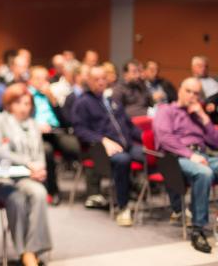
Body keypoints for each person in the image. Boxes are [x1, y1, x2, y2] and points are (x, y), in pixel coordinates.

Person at [0, 83, 52, 266]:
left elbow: (40, 156)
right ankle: (25, 254)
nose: (24, 108)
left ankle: (31, 250)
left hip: (26, 178)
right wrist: (27, 163)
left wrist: (40, 170)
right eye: (19, 103)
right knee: (17, 200)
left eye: (28, 104)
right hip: (0, 178)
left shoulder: (33, 125)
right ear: (9, 104)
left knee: (39, 193)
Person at [72, 66, 144, 226]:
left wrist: (145, 137)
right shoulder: (83, 103)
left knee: (155, 156)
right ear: (88, 81)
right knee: (123, 160)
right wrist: (102, 140)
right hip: (100, 150)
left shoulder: (112, 101)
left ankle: (176, 208)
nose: (101, 82)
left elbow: (129, 125)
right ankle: (122, 207)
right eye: (96, 79)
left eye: (103, 78)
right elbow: (79, 130)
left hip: (127, 145)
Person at [153, 78, 218, 253]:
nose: (192, 96)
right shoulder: (166, 110)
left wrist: (204, 117)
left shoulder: (197, 114)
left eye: (196, 93)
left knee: (205, 168)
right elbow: (165, 139)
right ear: (180, 90)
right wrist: (190, 155)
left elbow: (215, 143)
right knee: (204, 173)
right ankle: (198, 230)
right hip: (176, 158)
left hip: (202, 155)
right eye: (188, 91)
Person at [27, 66, 80, 204]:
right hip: (35, 135)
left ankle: (93, 190)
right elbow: (23, 119)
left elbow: (65, 121)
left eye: (44, 79)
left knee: (75, 147)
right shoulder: (27, 96)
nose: (41, 82)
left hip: (55, 131)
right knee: (47, 151)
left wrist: (53, 100)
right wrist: (36, 126)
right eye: (37, 78)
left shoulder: (51, 95)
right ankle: (52, 190)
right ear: (30, 80)